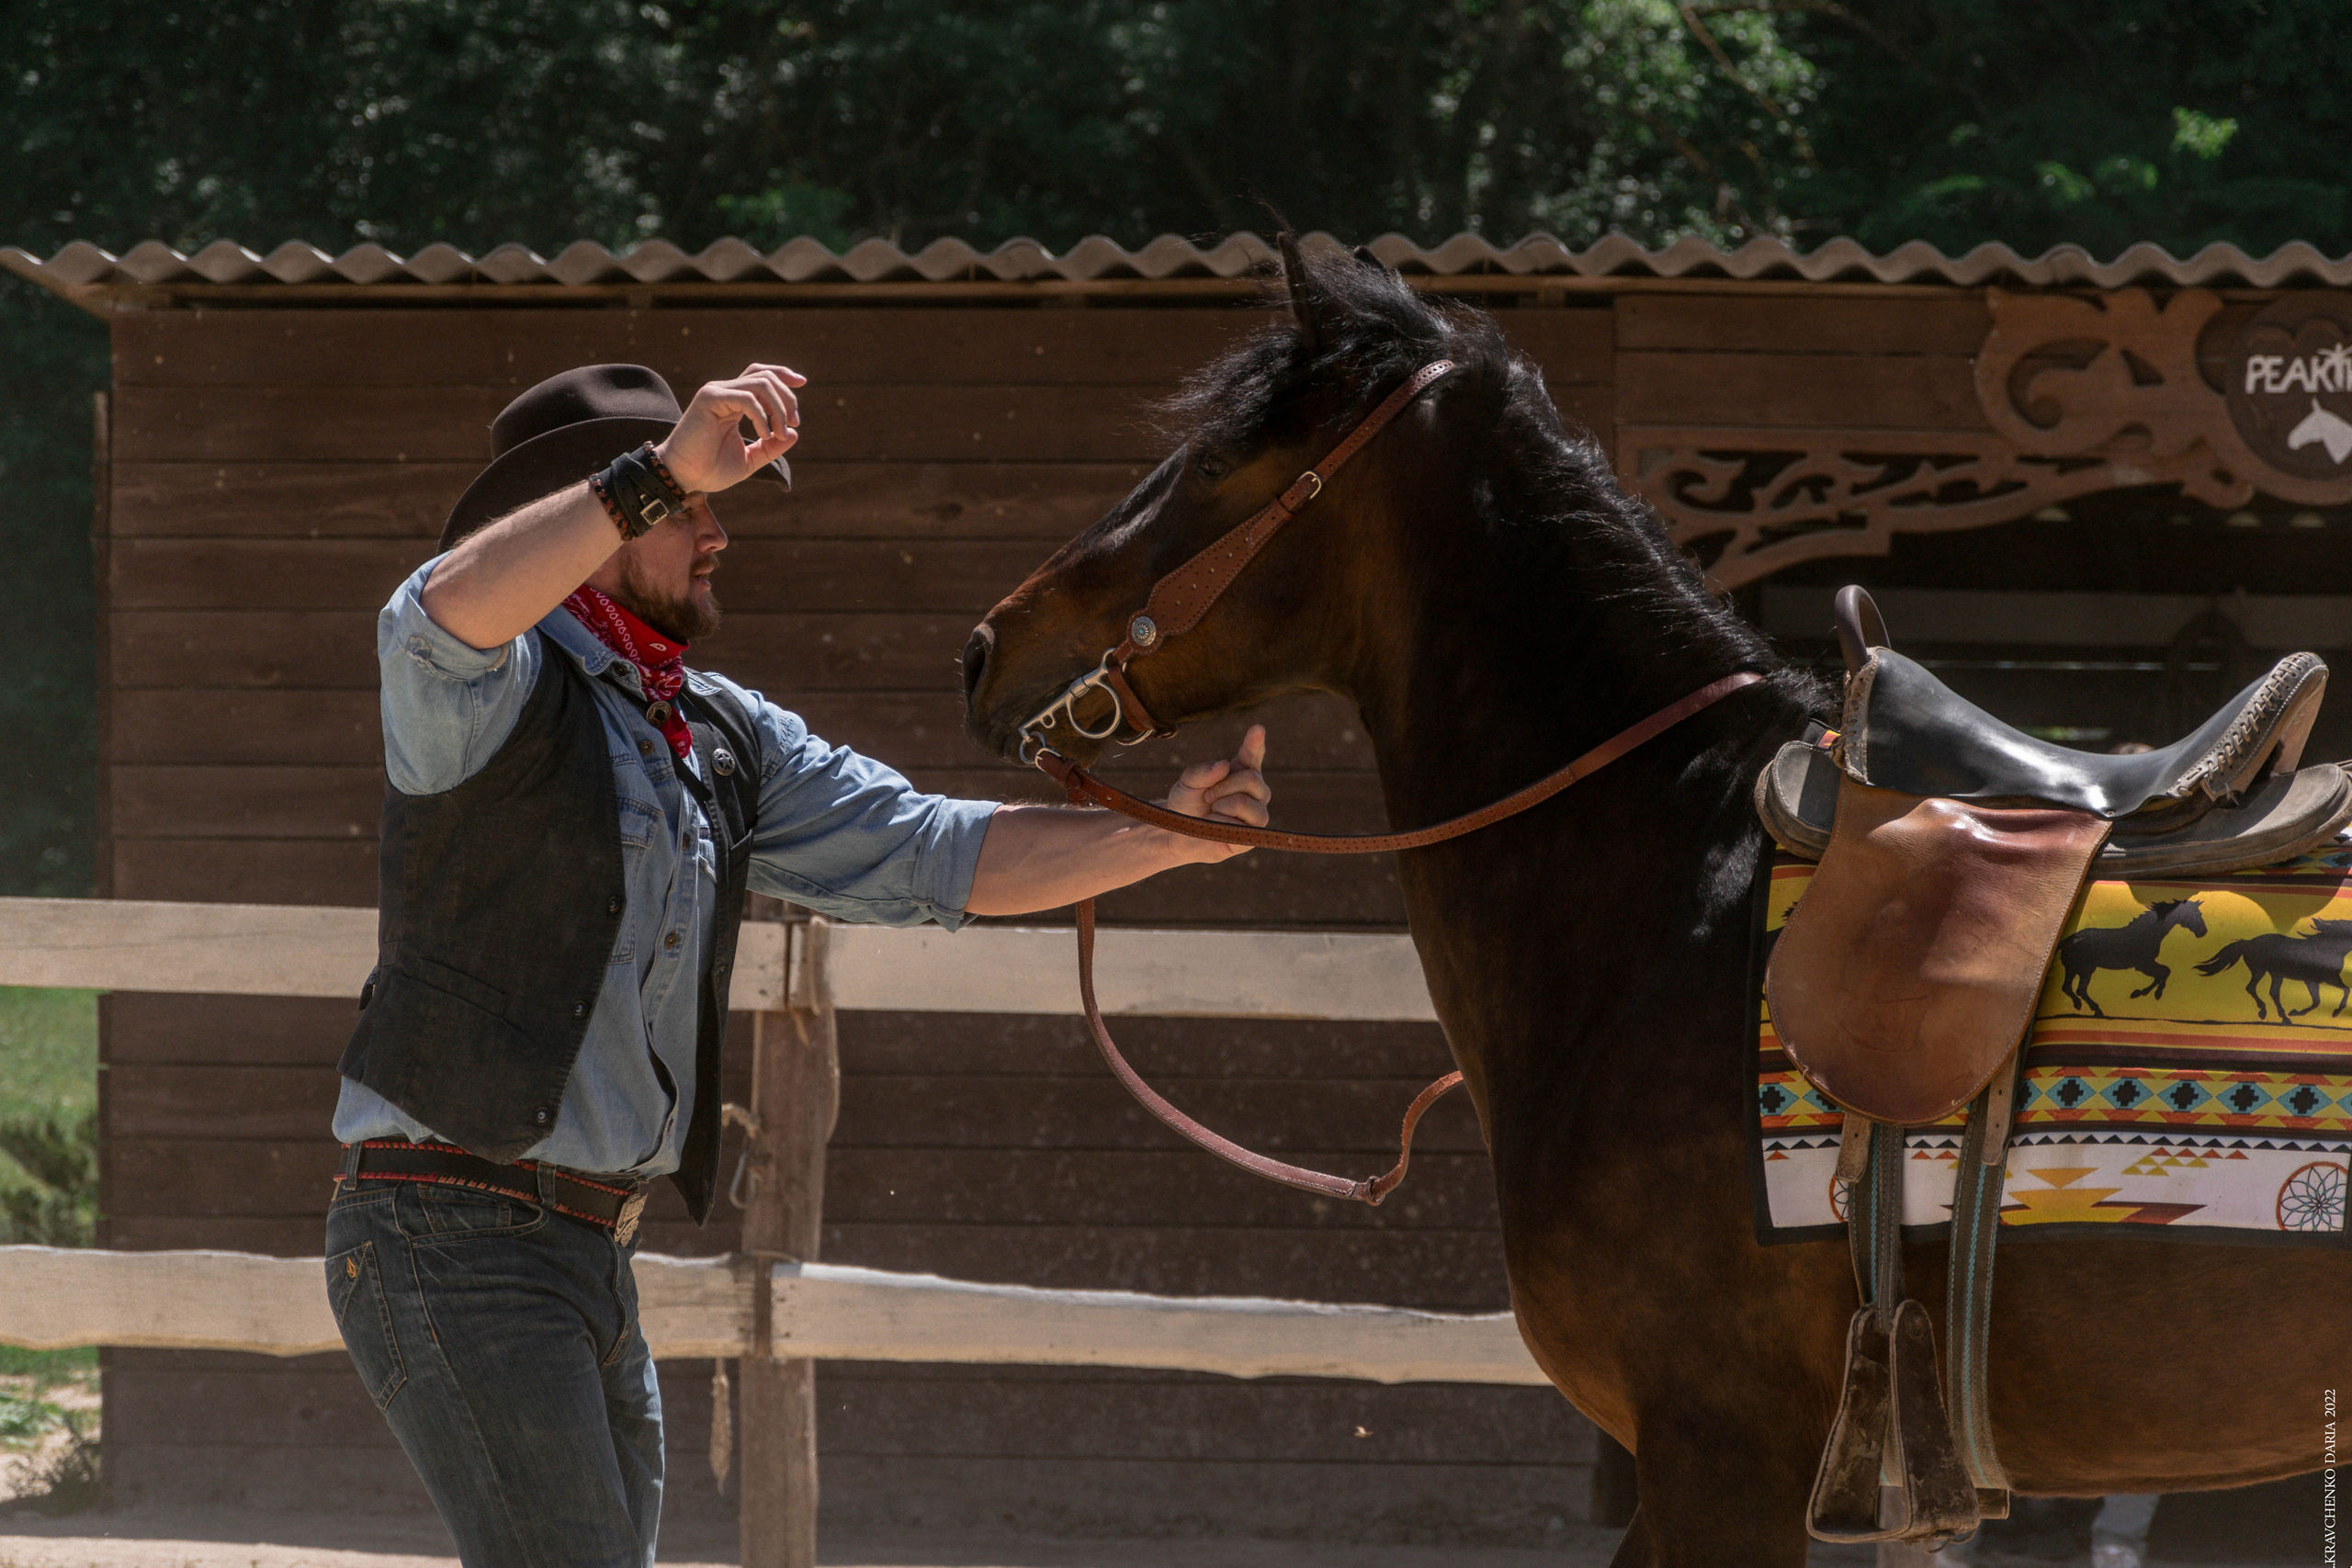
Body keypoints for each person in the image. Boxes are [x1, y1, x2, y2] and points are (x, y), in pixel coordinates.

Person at [322, 362, 1272, 1568]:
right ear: (598, 510)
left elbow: (934, 850)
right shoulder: (482, 683)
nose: (718, 534)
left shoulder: (718, 729)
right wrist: (654, 472)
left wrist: (1166, 836)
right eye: (689, 510)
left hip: (588, 1251)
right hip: (449, 1234)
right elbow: (437, 611)